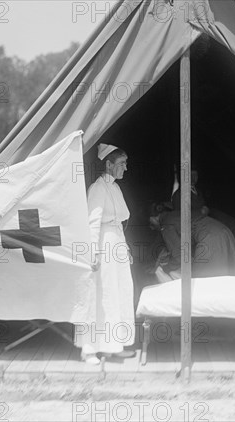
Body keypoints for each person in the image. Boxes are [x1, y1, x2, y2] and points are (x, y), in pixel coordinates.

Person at [75, 143, 136, 365]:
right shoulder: (97, 189)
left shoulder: (116, 188)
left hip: (117, 245)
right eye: (121, 163)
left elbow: (119, 223)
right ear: (108, 164)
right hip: (103, 246)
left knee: (118, 294)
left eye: (126, 163)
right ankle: (89, 350)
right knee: (100, 296)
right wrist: (93, 252)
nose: (125, 168)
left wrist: (125, 248)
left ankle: (114, 345)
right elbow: (92, 222)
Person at [171, 168, 235, 259]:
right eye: (190, 175)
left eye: (195, 175)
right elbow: (180, 216)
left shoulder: (197, 191)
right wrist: (201, 212)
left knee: (234, 224)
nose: (193, 178)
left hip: (207, 216)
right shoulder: (179, 194)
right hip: (197, 222)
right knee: (229, 228)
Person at [149, 201, 235, 278]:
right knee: (229, 280)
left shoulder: (166, 225)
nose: (152, 228)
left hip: (210, 238)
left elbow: (180, 256)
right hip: (224, 232)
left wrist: (166, 267)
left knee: (203, 284)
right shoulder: (175, 214)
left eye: (151, 224)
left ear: (153, 218)